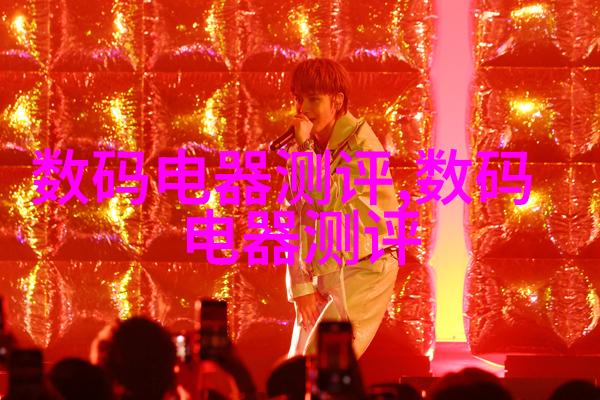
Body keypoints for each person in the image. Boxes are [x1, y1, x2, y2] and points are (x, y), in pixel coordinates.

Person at [283, 58, 401, 358]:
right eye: (298, 99)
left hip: (366, 267)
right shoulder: (305, 149)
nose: (303, 109)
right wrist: (301, 287)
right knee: (297, 364)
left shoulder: (362, 145)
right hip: (326, 269)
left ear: (337, 101)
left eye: (313, 99)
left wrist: (305, 151)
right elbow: (294, 220)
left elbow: (333, 203)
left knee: (322, 361)